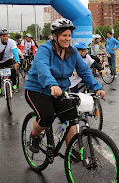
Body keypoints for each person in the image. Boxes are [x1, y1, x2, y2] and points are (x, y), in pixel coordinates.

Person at [24, 18, 105, 154]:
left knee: (71, 117)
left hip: (60, 91)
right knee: (47, 116)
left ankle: (71, 151)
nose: (67, 39)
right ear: (55, 37)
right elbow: (43, 69)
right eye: (64, 36)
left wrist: (97, 86)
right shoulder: (44, 50)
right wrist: (52, 84)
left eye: (69, 35)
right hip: (37, 89)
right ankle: (35, 136)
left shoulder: (72, 52)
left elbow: (84, 70)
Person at [0, 28, 20, 97]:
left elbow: (15, 52)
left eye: (6, 36)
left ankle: (14, 86)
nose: (5, 38)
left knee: (13, 71)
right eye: (3, 36)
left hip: (8, 59)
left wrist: (17, 62)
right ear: (0, 36)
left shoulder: (11, 42)